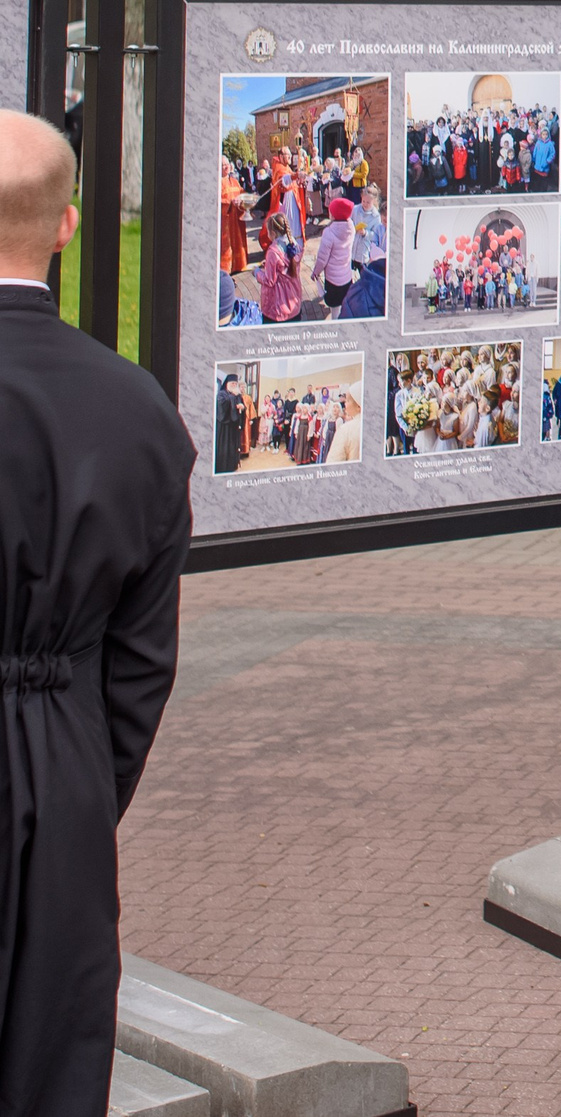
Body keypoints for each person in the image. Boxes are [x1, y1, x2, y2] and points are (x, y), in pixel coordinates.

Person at [0, 111, 195, 1112]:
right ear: (69, 225)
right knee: (53, 1050)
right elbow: (141, 661)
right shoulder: (138, 410)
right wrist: (78, 776)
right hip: (68, 756)